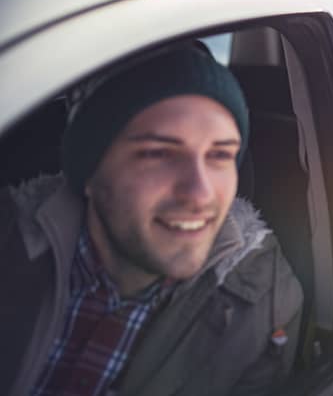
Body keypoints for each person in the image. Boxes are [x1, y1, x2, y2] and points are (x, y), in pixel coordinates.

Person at [0, 43, 303, 396]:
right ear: (89, 170)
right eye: (159, 154)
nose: (201, 193)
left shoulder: (262, 302)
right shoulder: (10, 238)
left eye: (220, 155)